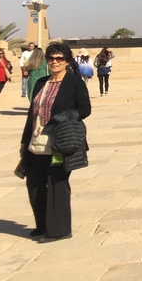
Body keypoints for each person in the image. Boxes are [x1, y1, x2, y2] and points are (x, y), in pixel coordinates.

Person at [19, 41, 91, 242]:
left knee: (57, 183)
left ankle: (59, 230)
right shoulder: (42, 82)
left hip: (60, 142)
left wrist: (66, 117)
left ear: (67, 61)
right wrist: (24, 142)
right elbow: (31, 113)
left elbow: (85, 109)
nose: (55, 62)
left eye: (59, 58)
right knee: (34, 182)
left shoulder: (74, 83)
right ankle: (42, 225)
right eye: (51, 58)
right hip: (37, 140)